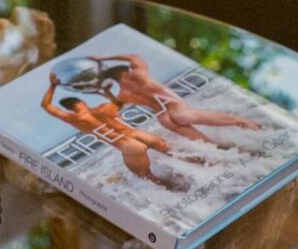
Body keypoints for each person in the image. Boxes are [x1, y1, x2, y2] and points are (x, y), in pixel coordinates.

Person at [41, 72, 191, 190]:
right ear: (82, 102)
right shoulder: (103, 108)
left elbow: (46, 106)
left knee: (148, 178)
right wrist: (106, 91)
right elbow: (118, 104)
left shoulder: (75, 118)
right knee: (177, 154)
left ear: (70, 107)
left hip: (129, 146)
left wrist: (53, 85)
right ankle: (206, 167)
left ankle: (177, 192)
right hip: (139, 134)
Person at [89, 52, 263, 143]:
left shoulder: (122, 93)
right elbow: (134, 57)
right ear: (125, 71)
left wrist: (104, 92)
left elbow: (117, 105)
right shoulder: (141, 76)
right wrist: (105, 57)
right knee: (235, 120)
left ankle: (222, 158)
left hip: (164, 118)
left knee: (207, 143)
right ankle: (254, 129)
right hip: (177, 109)